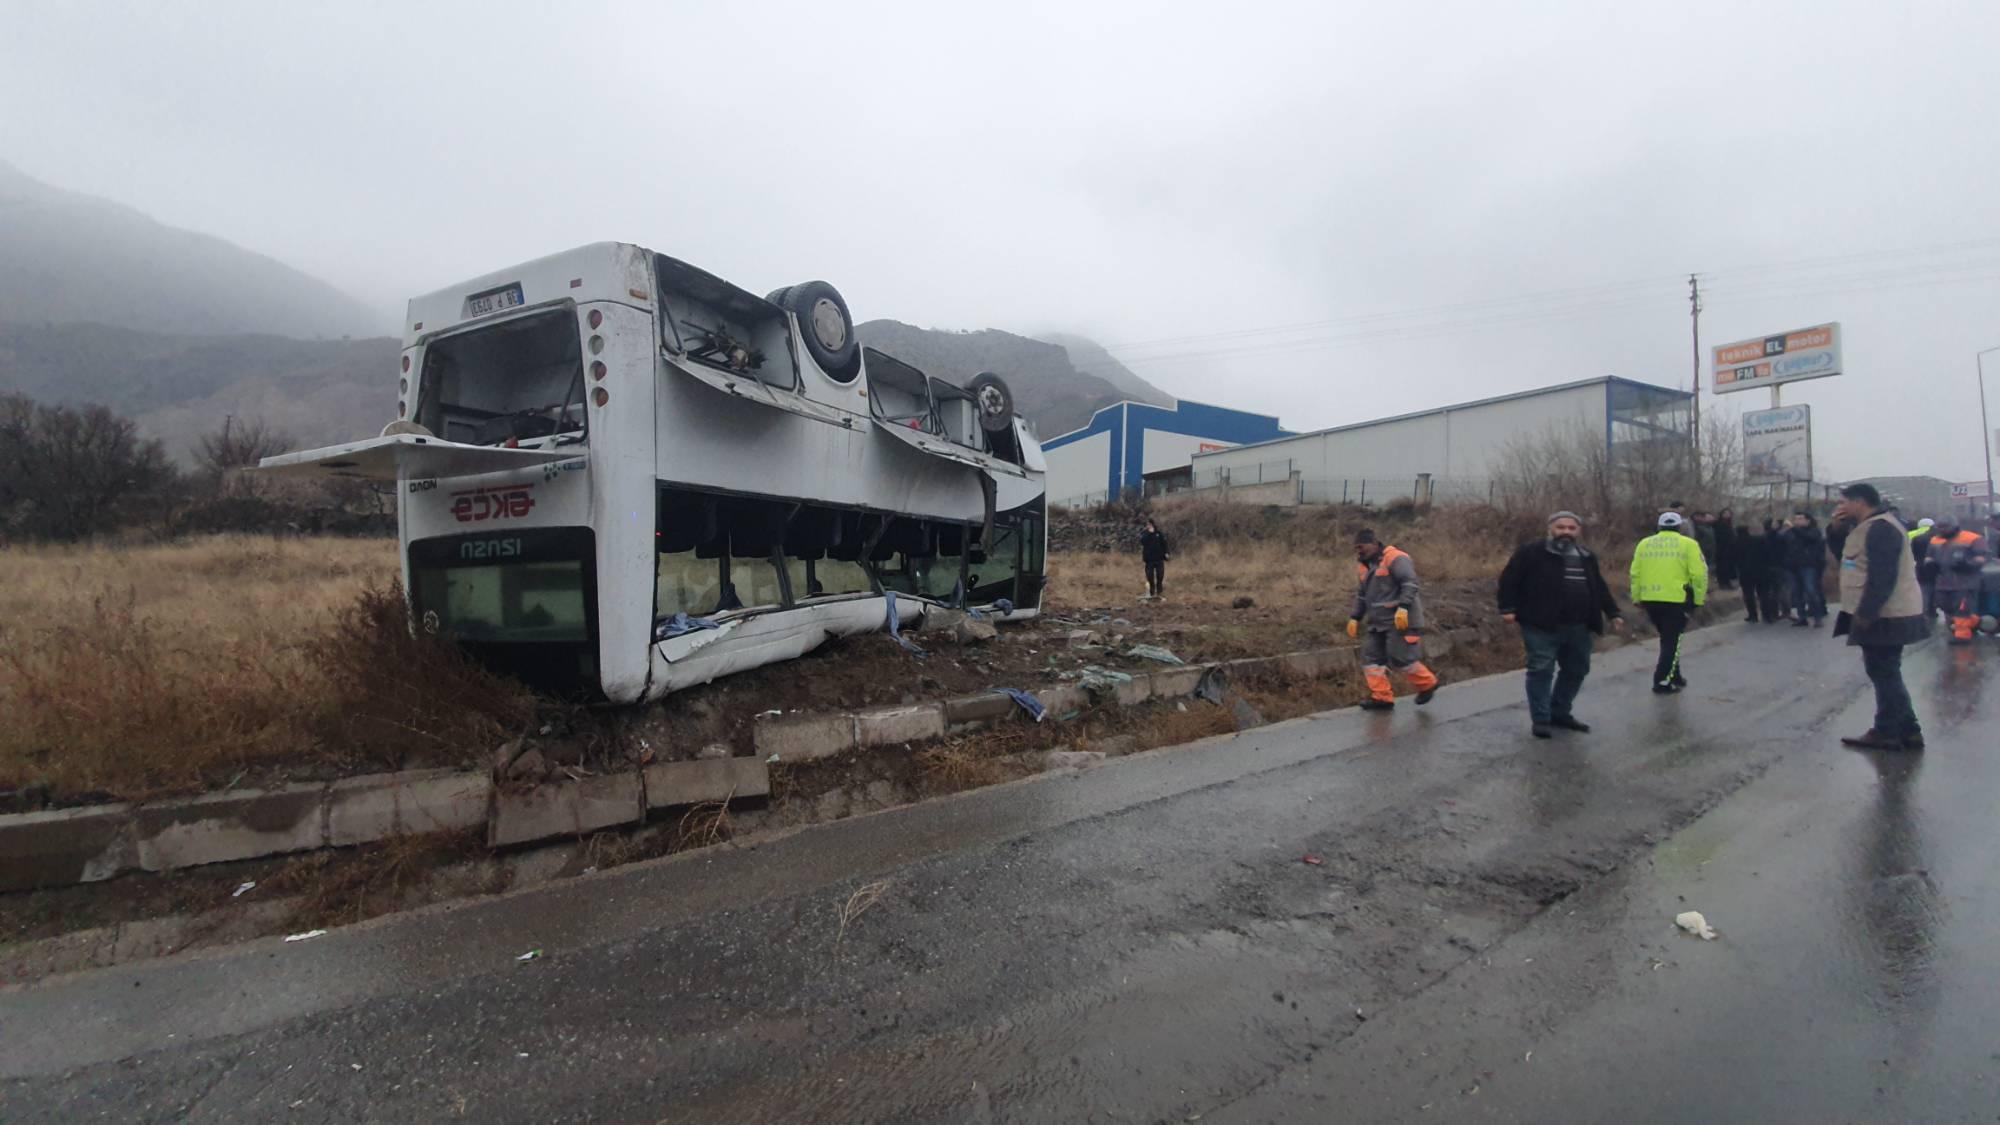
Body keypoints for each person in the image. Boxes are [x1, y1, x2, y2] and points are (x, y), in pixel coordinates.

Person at [1496, 510, 1626, 739]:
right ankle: (1541, 719)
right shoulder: (1531, 553)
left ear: (1578, 531)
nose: (1566, 532)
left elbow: (1599, 587)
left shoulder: (1586, 556)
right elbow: (1509, 580)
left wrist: (1613, 612)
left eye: (1571, 528)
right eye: (1560, 527)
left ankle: (1560, 712)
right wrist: (1507, 608)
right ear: (1550, 529)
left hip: (1579, 626)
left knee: (1577, 669)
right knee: (1541, 669)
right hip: (1541, 624)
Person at [1830, 483, 1930, 750]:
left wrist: (1867, 612)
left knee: (1884, 672)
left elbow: (1882, 576)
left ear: (1859, 501)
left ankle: (1886, 731)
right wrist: (1837, 529)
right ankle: (1909, 730)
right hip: (1881, 613)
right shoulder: (1867, 526)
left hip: (1886, 615)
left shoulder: (1882, 528)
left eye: (1844, 502)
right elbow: (1848, 557)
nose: (1840, 507)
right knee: (1885, 671)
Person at [1347, 528, 1441, 711]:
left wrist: (1403, 608)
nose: (1358, 551)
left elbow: (1410, 583)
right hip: (1377, 623)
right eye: (1356, 548)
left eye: (1361, 546)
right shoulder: (1364, 567)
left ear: (1373, 543)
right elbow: (1362, 596)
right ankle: (1381, 697)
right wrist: (1355, 617)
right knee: (1371, 659)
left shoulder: (1396, 558)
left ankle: (1428, 684)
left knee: (1401, 658)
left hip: (1401, 621)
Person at [1631, 511, 1708, 694]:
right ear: (1680, 527)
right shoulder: (1689, 544)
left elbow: (1635, 573)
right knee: (1672, 641)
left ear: (1659, 526)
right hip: (1677, 599)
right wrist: (1698, 598)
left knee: (1668, 639)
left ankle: (1675, 675)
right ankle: (1662, 680)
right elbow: (1698, 574)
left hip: (1651, 599)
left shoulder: (1644, 544)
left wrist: (1636, 597)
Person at [1928, 516, 1992, 644]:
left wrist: (1969, 565)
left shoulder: (1972, 538)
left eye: (1945, 527)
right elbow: (1929, 556)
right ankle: (1976, 622)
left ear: (1954, 526)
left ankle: (1962, 636)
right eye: (1940, 528)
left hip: (1965, 582)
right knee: (1944, 605)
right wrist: (1930, 565)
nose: (1943, 530)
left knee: (1962, 608)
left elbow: (1983, 557)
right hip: (1943, 582)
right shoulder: (1935, 540)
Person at [1782, 511, 1828, 627]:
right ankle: (1802, 617)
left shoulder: (1813, 531)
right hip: (1793, 566)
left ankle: (1818, 617)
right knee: (1797, 593)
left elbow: (1809, 538)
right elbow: (1781, 540)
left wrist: (1793, 529)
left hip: (1808, 566)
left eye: (1801, 519)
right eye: (1796, 519)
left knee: (1810, 590)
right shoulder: (1791, 532)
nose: (1798, 521)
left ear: (1808, 520)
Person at [1737, 524, 1784, 624]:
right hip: (1761, 571)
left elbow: (1731, 558)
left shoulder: (1735, 542)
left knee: (1748, 594)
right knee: (1764, 594)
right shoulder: (1758, 539)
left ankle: (1753, 615)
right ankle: (1767, 615)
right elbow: (1767, 553)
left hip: (1745, 572)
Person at [1138, 518, 1169, 600]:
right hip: (1149, 559)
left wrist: (1166, 553)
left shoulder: (1159, 533)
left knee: (1160, 575)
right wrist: (1149, 533)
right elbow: (1142, 541)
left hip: (1159, 558)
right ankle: (1151, 592)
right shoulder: (1145, 533)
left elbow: (1164, 543)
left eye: (1150, 524)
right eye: (1148, 525)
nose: (1149, 526)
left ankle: (1159, 591)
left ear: (1153, 524)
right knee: (1150, 576)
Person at [1713, 508, 1739, 590]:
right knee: (1722, 566)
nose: (1727, 515)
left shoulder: (1729, 524)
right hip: (1721, 548)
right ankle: (1723, 583)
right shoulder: (1718, 523)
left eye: (1728, 513)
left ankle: (1728, 583)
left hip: (1730, 548)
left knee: (1728, 567)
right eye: (1725, 513)